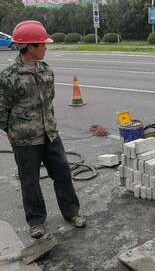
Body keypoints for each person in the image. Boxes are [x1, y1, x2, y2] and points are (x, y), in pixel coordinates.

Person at [0, 20, 86, 239]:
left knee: (63, 172)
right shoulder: (9, 77)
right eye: (43, 44)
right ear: (31, 47)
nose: (46, 48)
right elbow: (1, 110)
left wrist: (47, 123)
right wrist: (14, 131)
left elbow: (49, 100)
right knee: (30, 181)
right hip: (25, 139)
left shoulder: (46, 71)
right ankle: (36, 221)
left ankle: (71, 212)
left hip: (50, 134)